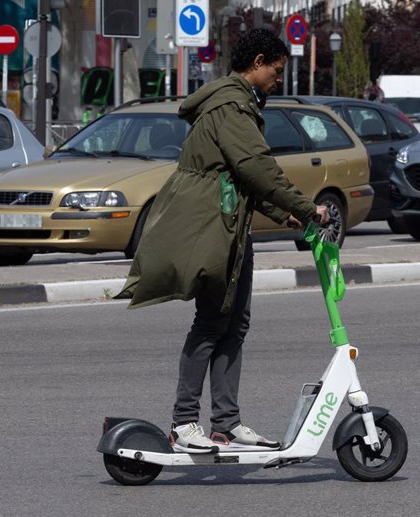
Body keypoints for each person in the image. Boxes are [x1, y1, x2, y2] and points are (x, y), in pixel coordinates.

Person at [115, 28, 329, 454]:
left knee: (235, 323)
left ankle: (226, 424)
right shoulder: (232, 106)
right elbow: (256, 168)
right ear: (259, 61)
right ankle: (183, 423)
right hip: (209, 227)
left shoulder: (235, 101)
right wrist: (306, 208)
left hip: (229, 225)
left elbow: (235, 178)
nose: (278, 80)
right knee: (212, 323)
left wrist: (280, 213)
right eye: (277, 71)